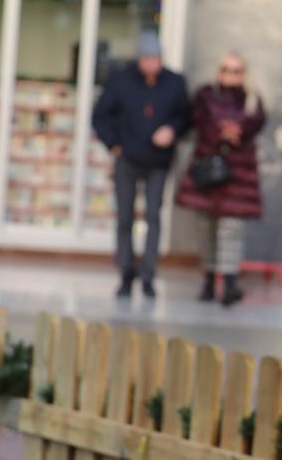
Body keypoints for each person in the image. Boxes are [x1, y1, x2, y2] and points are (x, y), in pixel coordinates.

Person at [91, 31, 190, 299]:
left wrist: (172, 130)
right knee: (125, 217)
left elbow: (185, 117)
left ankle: (148, 275)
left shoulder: (175, 83)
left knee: (154, 216)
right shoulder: (121, 81)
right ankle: (125, 272)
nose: (152, 64)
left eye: (156, 58)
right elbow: (100, 116)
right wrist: (114, 144)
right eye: (147, 59)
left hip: (159, 161)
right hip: (128, 159)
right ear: (139, 60)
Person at [175, 52, 266, 307]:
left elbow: (256, 123)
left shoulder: (252, 99)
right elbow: (200, 123)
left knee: (231, 230)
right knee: (206, 230)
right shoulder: (205, 94)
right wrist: (223, 133)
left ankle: (228, 282)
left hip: (238, 177)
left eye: (236, 70)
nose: (231, 75)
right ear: (219, 71)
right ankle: (207, 280)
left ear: (243, 74)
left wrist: (237, 132)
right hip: (208, 173)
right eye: (227, 69)